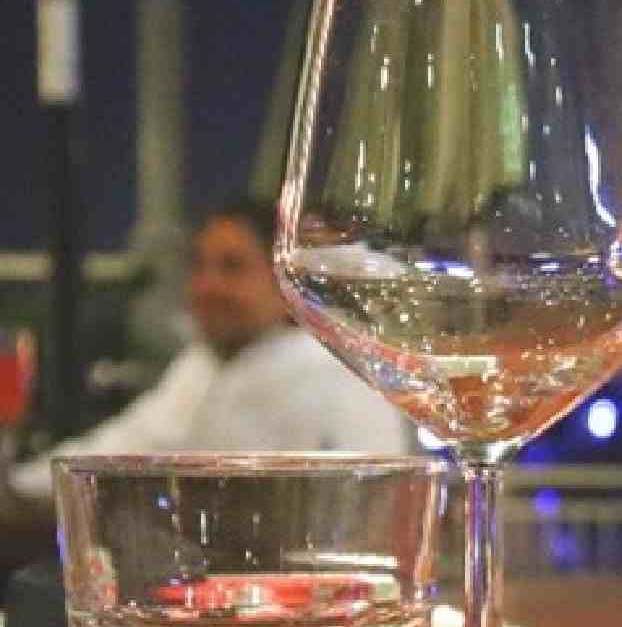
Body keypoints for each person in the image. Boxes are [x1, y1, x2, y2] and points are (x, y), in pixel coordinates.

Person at [0, 199, 413, 563]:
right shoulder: (209, 362)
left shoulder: (321, 364)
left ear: (289, 280)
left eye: (232, 268)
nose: (206, 287)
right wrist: (21, 486)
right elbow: (127, 444)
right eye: (199, 267)